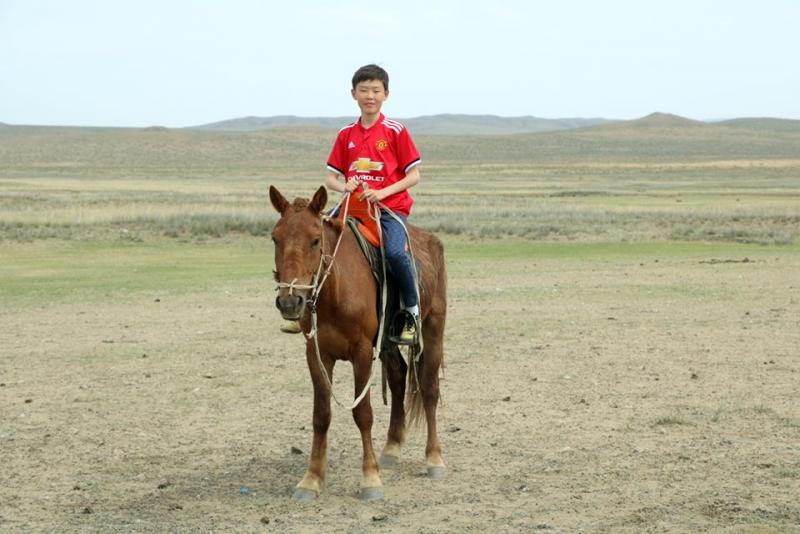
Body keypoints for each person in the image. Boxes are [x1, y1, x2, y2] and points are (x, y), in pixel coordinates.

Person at [323, 64, 422, 344]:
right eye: (364, 90)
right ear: (353, 93)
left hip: (390, 209)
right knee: (312, 237)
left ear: (386, 94)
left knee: (395, 254)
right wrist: (345, 186)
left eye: (376, 91)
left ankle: (411, 313)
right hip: (352, 205)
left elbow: (414, 175)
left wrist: (382, 192)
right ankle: (303, 308)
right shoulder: (346, 134)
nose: (370, 96)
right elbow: (330, 179)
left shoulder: (395, 130)